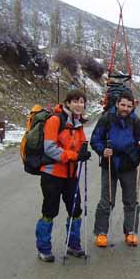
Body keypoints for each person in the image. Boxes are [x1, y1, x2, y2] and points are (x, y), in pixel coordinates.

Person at [35, 90, 91, 262]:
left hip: (71, 174)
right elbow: (50, 148)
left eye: (82, 102)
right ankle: (44, 248)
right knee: (50, 211)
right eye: (75, 101)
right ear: (67, 103)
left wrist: (83, 152)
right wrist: (74, 156)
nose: (79, 105)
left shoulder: (78, 123)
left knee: (76, 209)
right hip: (52, 174)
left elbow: (80, 144)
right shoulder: (55, 120)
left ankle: (73, 244)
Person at [90, 91, 140, 247]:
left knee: (131, 201)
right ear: (117, 104)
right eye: (123, 105)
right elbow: (95, 139)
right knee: (107, 200)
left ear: (133, 106)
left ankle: (131, 232)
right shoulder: (106, 119)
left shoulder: (136, 121)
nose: (125, 108)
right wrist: (102, 150)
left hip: (128, 164)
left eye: (129, 106)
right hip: (110, 164)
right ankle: (101, 233)